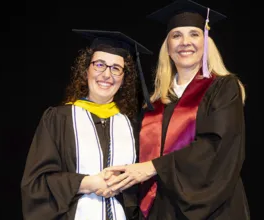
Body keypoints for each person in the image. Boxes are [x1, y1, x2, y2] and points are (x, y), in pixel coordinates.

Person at [104, 0, 250, 219]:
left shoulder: (223, 88)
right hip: (162, 209)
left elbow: (217, 147)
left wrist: (152, 167)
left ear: (206, 42)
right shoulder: (154, 103)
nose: (185, 42)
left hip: (215, 208)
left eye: (194, 34)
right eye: (176, 36)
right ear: (168, 48)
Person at [20, 29, 152, 220]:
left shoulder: (133, 126)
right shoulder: (59, 119)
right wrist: (87, 183)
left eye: (116, 68)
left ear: (124, 79)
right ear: (86, 70)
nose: (107, 75)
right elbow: (36, 184)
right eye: (99, 65)